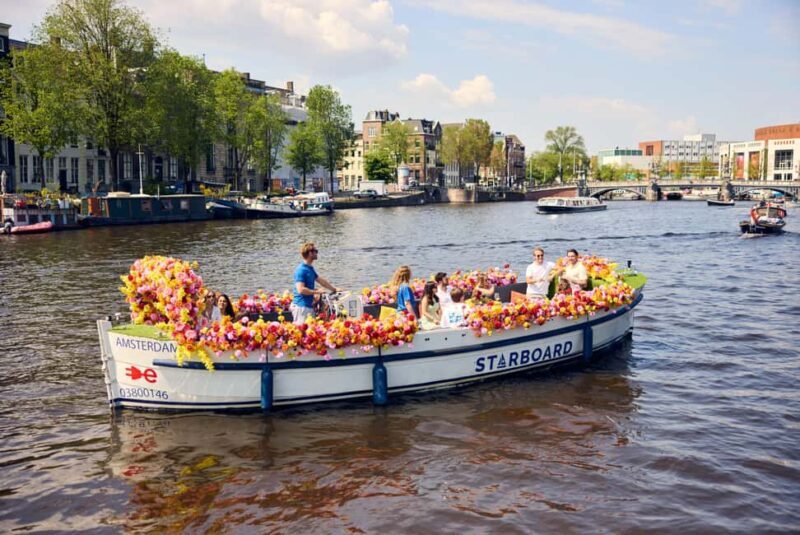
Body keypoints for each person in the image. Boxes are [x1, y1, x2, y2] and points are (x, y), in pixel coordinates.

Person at [291, 242, 339, 325]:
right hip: (301, 307)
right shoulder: (301, 270)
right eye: (316, 251)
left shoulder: (310, 268)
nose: (317, 253)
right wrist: (317, 292)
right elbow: (300, 289)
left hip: (308, 307)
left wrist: (334, 289)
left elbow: (321, 281)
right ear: (310, 253)